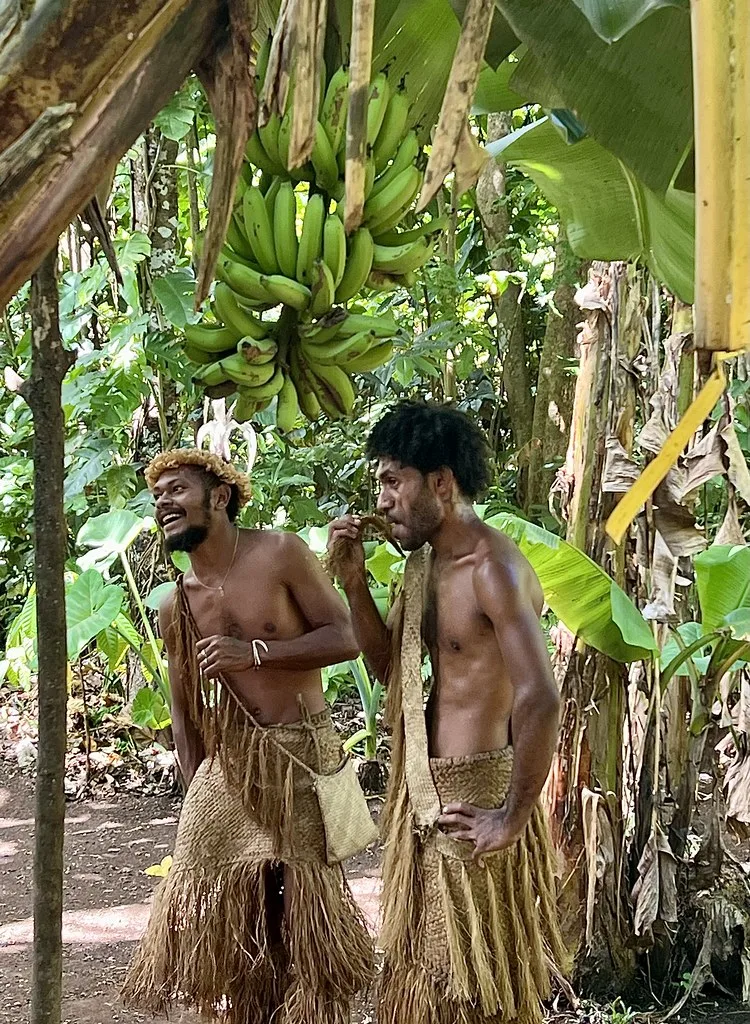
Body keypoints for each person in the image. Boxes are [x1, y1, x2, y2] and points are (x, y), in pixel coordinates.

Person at [328, 401, 568, 1024]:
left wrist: (511, 817)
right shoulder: (424, 566)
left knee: (477, 992)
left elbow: (540, 695)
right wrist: (354, 583)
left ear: (440, 482)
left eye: (392, 481)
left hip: (476, 794)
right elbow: (390, 671)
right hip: (421, 792)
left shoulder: (493, 568)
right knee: (422, 984)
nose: (381, 500)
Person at [122, 448, 374, 1024]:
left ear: (219, 496)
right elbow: (184, 713)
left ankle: (312, 1011)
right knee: (228, 901)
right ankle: (244, 1011)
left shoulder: (280, 553)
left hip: (301, 753)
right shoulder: (175, 605)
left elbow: (345, 637)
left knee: (304, 906)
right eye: (157, 495)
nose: (163, 503)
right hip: (228, 768)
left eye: (176, 490)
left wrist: (256, 653)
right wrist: (193, 786)